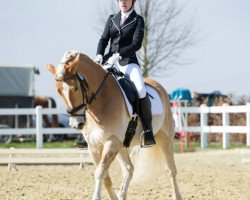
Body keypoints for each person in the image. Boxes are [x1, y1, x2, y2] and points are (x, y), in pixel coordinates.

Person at [94, 0, 156, 147]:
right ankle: (88, 131)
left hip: (128, 61)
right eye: (120, 0)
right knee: (93, 86)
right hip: (109, 61)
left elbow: (137, 44)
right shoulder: (112, 19)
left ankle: (148, 131)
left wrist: (120, 54)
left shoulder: (138, 20)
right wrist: (99, 54)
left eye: (126, 0)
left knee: (140, 89)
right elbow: (104, 39)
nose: (123, 2)